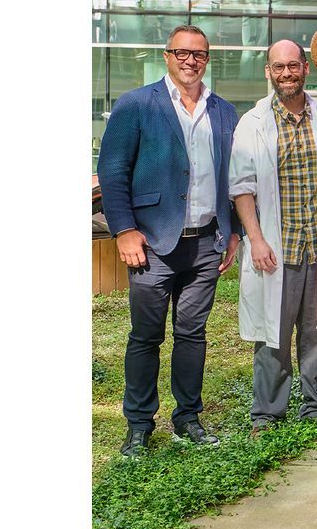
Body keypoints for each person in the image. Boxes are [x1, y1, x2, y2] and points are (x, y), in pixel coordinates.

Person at [98, 25, 240, 457]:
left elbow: (233, 177)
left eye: (198, 54)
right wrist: (124, 229)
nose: (190, 60)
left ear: (207, 59)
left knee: (192, 335)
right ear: (167, 56)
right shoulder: (137, 104)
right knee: (145, 336)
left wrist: (231, 232)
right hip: (151, 245)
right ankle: (139, 425)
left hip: (205, 245)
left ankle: (188, 419)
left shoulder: (223, 112)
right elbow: (113, 171)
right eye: (181, 52)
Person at [229, 40, 317, 439]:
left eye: (293, 66)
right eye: (278, 67)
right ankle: (266, 416)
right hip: (274, 249)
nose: (286, 73)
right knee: (273, 336)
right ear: (268, 71)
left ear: (306, 69)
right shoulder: (253, 122)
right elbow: (242, 187)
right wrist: (256, 239)